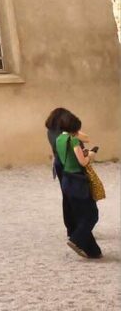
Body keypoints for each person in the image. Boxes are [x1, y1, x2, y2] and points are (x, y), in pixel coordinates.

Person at [54, 109, 102, 259]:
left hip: (67, 179)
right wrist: (91, 155)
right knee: (92, 214)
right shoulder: (74, 140)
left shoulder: (59, 139)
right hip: (78, 179)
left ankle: (93, 250)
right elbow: (82, 161)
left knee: (81, 215)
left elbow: (66, 157)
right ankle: (76, 239)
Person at [45, 107, 75, 240]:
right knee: (76, 196)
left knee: (66, 196)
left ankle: (70, 228)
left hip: (58, 164)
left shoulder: (50, 131)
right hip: (68, 164)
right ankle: (78, 228)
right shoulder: (63, 134)